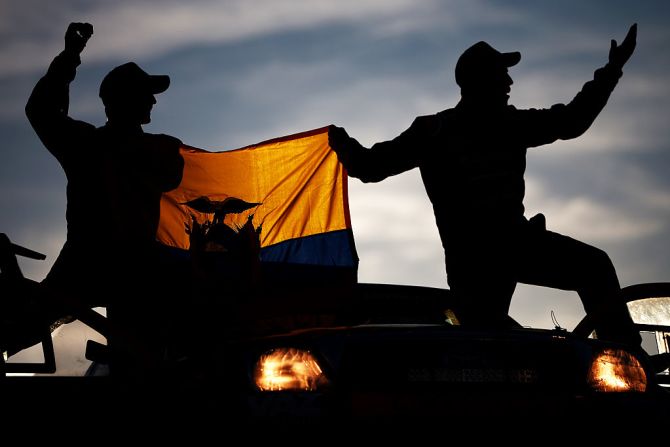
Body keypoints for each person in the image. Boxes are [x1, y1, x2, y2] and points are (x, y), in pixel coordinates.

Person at [329, 24, 641, 346]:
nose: (509, 82)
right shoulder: (436, 131)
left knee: (594, 268)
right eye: (500, 74)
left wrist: (612, 70)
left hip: (511, 246)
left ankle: (628, 360)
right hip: (474, 263)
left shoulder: (510, 124)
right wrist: (342, 143)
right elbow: (370, 166)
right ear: (479, 81)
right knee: (485, 345)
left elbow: (573, 120)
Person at [25, 22, 185, 373]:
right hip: (122, 269)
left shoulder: (89, 144)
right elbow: (40, 111)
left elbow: (41, 111)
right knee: (146, 359)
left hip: (96, 266)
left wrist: (70, 57)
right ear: (127, 100)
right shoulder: (154, 150)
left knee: (144, 359)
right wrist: (69, 57)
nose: (154, 100)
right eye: (146, 93)